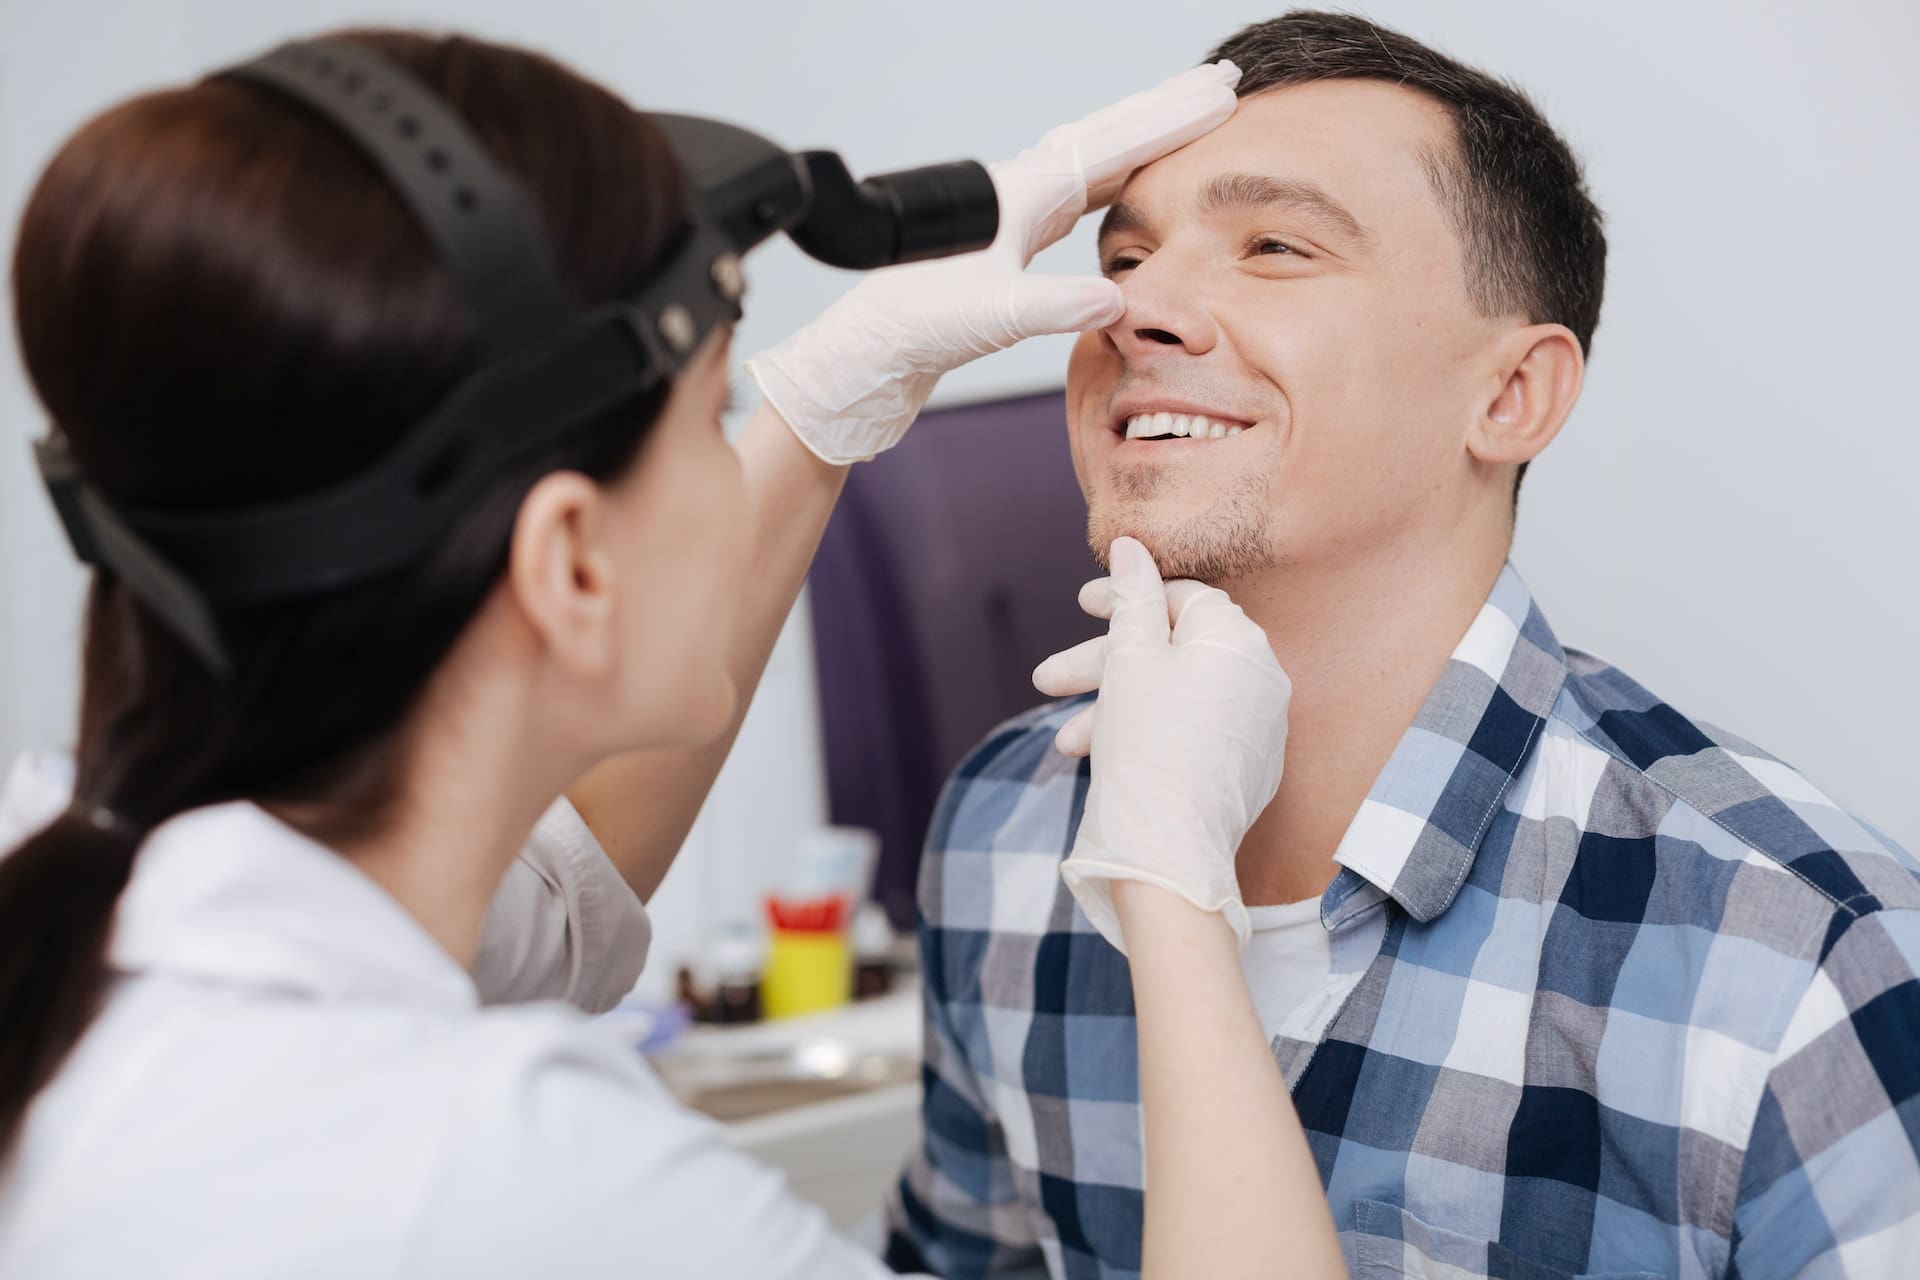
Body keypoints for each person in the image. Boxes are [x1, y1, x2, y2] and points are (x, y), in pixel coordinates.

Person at [0, 29, 1345, 1278]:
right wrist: (1172, 890)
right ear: (572, 561)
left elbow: (555, 919)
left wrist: (823, 410)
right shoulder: (516, 1172)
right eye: (717, 418)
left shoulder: (76, 890)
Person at [889, 10, 1920, 1280]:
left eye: (1274, 245)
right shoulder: (999, 823)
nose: (1131, 308)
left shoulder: (1801, 961)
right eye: (1125, 252)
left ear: (1510, 395)